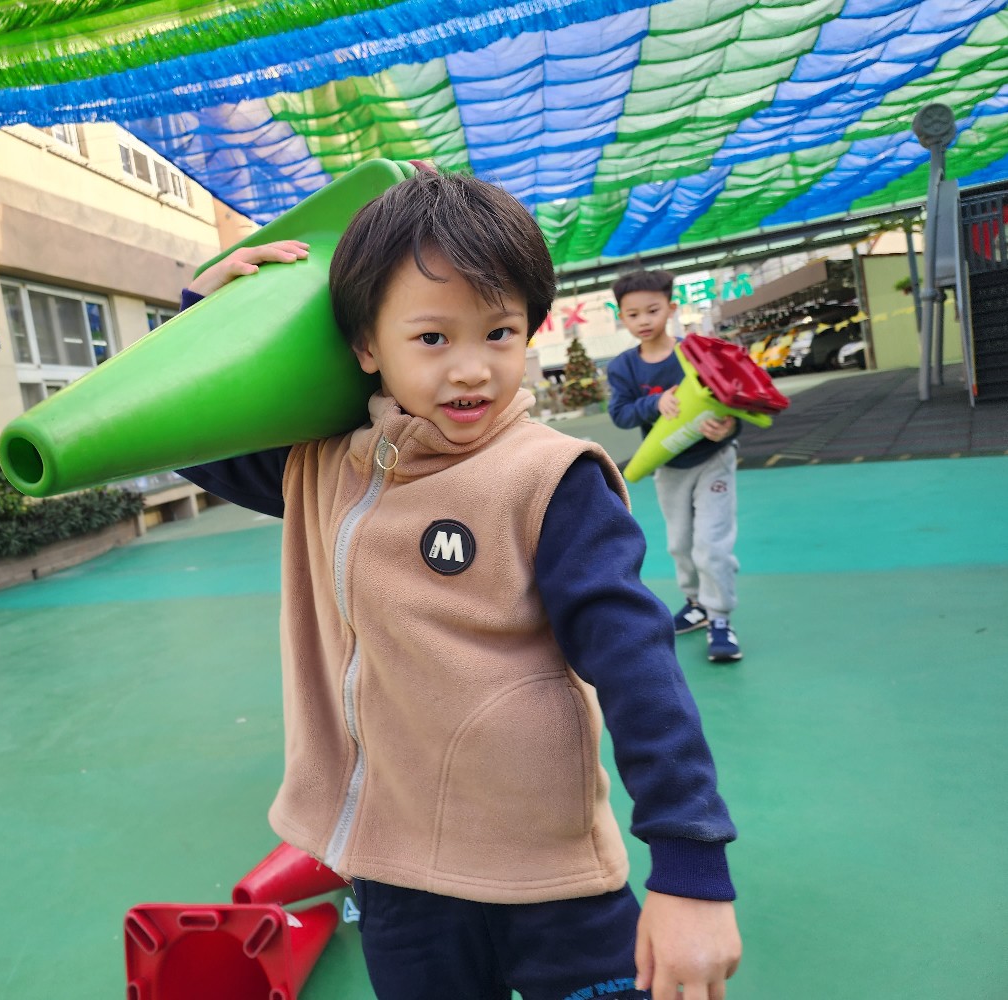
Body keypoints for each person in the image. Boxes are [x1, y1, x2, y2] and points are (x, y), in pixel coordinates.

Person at [178, 172, 740, 1000]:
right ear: (366, 346)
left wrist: (690, 868)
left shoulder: (548, 479)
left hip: (551, 881)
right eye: (432, 338)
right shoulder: (326, 471)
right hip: (395, 875)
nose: (472, 370)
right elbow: (195, 438)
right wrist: (200, 316)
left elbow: (636, 664)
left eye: (499, 332)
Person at [607, 270, 744, 663]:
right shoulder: (623, 368)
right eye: (633, 314)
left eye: (652, 310)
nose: (643, 320)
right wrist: (654, 403)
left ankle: (720, 617)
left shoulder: (696, 353)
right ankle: (696, 602)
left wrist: (729, 427)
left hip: (713, 460)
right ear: (621, 316)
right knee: (680, 543)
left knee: (712, 544)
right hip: (668, 467)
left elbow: (733, 400)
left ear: (671, 308)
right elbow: (620, 413)